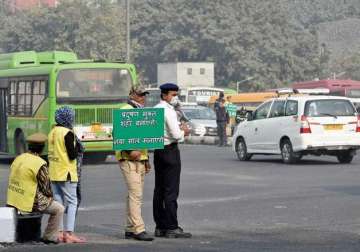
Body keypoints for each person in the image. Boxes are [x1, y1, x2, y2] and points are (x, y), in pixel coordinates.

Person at [7, 133, 65, 244]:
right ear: (42, 148)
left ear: (29, 146)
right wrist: (50, 198)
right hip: (29, 201)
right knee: (59, 209)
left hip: (13, 198)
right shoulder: (40, 163)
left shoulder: (19, 158)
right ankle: (49, 237)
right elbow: (46, 188)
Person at [115, 86, 154, 242]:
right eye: (139, 95)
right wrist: (130, 150)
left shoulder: (142, 111)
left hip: (140, 159)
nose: (142, 97)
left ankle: (130, 228)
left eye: (144, 95)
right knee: (136, 194)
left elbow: (143, 137)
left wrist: (146, 159)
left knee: (134, 195)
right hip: (128, 158)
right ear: (131, 94)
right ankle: (139, 229)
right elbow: (119, 132)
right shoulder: (125, 109)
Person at [153, 83, 192, 238]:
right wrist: (185, 132)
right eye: (173, 95)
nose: (175, 98)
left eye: (176, 94)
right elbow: (176, 135)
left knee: (159, 190)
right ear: (164, 95)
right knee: (171, 191)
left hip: (158, 151)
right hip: (170, 151)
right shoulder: (167, 111)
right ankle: (171, 227)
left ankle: (160, 226)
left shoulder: (155, 109)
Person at [48, 106, 85, 243]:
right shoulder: (68, 133)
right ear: (68, 118)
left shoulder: (52, 131)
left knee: (58, 202)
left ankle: (59, 233)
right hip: (67, 172)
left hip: (54, 172)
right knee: (72, 201)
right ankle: (68, 233)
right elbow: (73, 154)